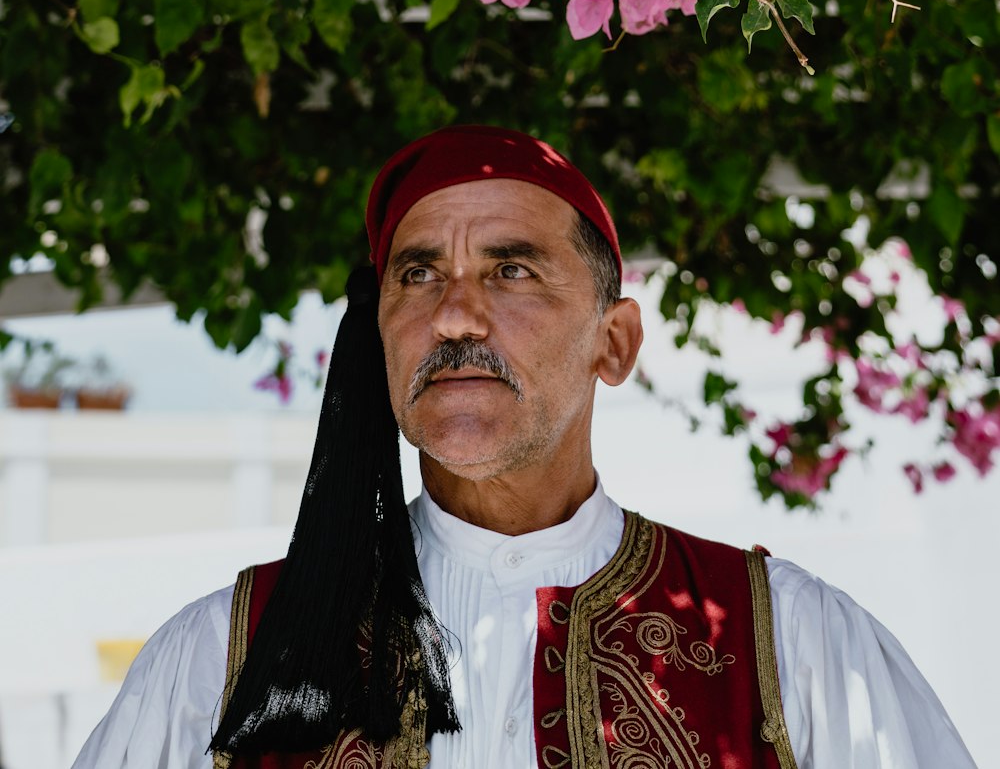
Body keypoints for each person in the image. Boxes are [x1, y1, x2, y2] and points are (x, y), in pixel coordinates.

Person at [72, 124, 977, 769]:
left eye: (512, 270)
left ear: (613, 342)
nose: (455, 315)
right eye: (418, 273)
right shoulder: (222, 656)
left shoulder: (788, 640)